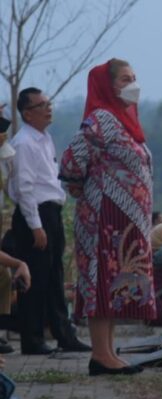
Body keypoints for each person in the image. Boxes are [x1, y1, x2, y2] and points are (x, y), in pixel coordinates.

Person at [59, 59, 157, 375]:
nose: (133, 84)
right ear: (107, 85)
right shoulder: (101, 120)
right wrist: (75, 185)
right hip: (104, 220)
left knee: (117, 287)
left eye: (135, 77)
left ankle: (109, 352)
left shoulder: (125, 120)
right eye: (126, 79)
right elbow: (72, 161)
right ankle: (100, 355)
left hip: (127, 222)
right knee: (101, 283)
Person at [9, 87, 91, 356]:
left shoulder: (44, 138)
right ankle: (32, 339)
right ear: (28, 113)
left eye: (48, 103)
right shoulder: (23, 143)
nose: (48, 108)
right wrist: (35, 225)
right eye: (41, 105)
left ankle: (63, 333)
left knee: (54, 275)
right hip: (36, 214)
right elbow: (25, 188)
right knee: (35, 278)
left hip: (51, 212)